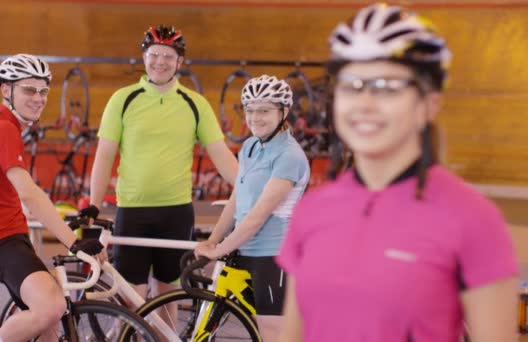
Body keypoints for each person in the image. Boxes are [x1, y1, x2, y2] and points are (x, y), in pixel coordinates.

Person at [277, 4, 519, 342]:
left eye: (387, 86)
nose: (364, 103)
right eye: (351, 84)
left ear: (428, 104)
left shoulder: (473, 218)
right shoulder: (312, 210)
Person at [0, 53, 104, 342]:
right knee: (51, 306)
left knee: (47, 321)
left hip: (8, 235)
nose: (38, 98)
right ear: (6, 89)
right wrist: (72, 241)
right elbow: (29, 192)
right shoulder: (3, 129)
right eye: (29, 90)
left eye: (43, 91)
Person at [85, 25, 238, 302]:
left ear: (179, 62)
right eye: (154, 54)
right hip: (132, 211)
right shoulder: (123, 99)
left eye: (168, 56)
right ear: (144, 57)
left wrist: (250, 189)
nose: (160, 62)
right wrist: (93, 207)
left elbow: (221, 154)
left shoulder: (195, 103)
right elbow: (104, 156)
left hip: (176, 213)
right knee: (133, 298)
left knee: (168, 296)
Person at [195, 75, 310, 341]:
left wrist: (219, 249)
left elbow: (258, 215)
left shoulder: (289, 156)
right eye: (250, 110)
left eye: (264, 110)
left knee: (273, 333)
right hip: (245, 250)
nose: (255, 117)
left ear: (284, 112)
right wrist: (213, 239)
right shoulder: (249, 147)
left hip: (274, 257)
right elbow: (238, 198)